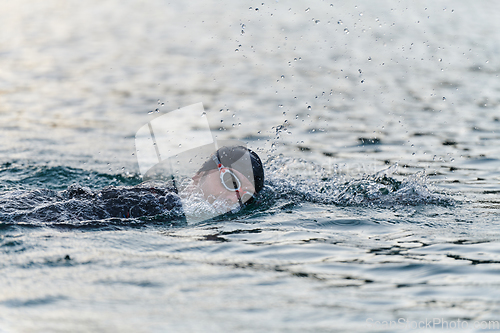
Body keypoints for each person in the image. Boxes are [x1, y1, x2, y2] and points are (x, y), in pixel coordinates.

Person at [0, 146, 265, 223]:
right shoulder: (169, 202)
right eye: (230, 183)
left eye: (246, 198)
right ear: (198, 175)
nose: (235, 199)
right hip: (55, 212)